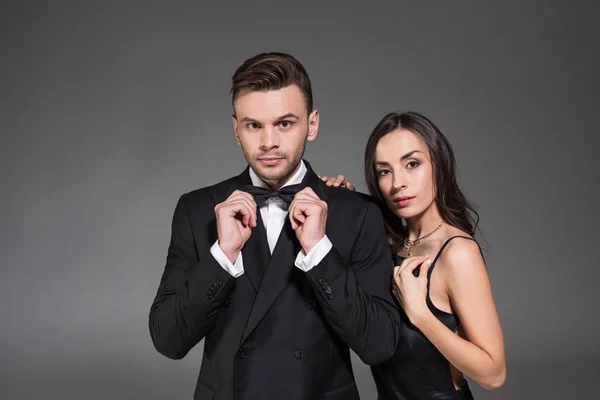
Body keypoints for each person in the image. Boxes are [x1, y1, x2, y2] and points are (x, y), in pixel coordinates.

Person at [148, 52, 401, 400]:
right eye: (254, 125)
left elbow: (379, 345)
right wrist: (222, 255)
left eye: (285, 123)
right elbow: (168, 340)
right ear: (236, 129)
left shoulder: (357, 213)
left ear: (312, 125)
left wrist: (320, 251)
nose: (268, 142)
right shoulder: (197, 209)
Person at [320, 111, 506, 399]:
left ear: (438, 166)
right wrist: (342, 205)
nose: (398, 183)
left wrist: (421, 315)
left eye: (412, 164)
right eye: (385, 171)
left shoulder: (457, 253)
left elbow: (494, 375)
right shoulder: (387, 243)